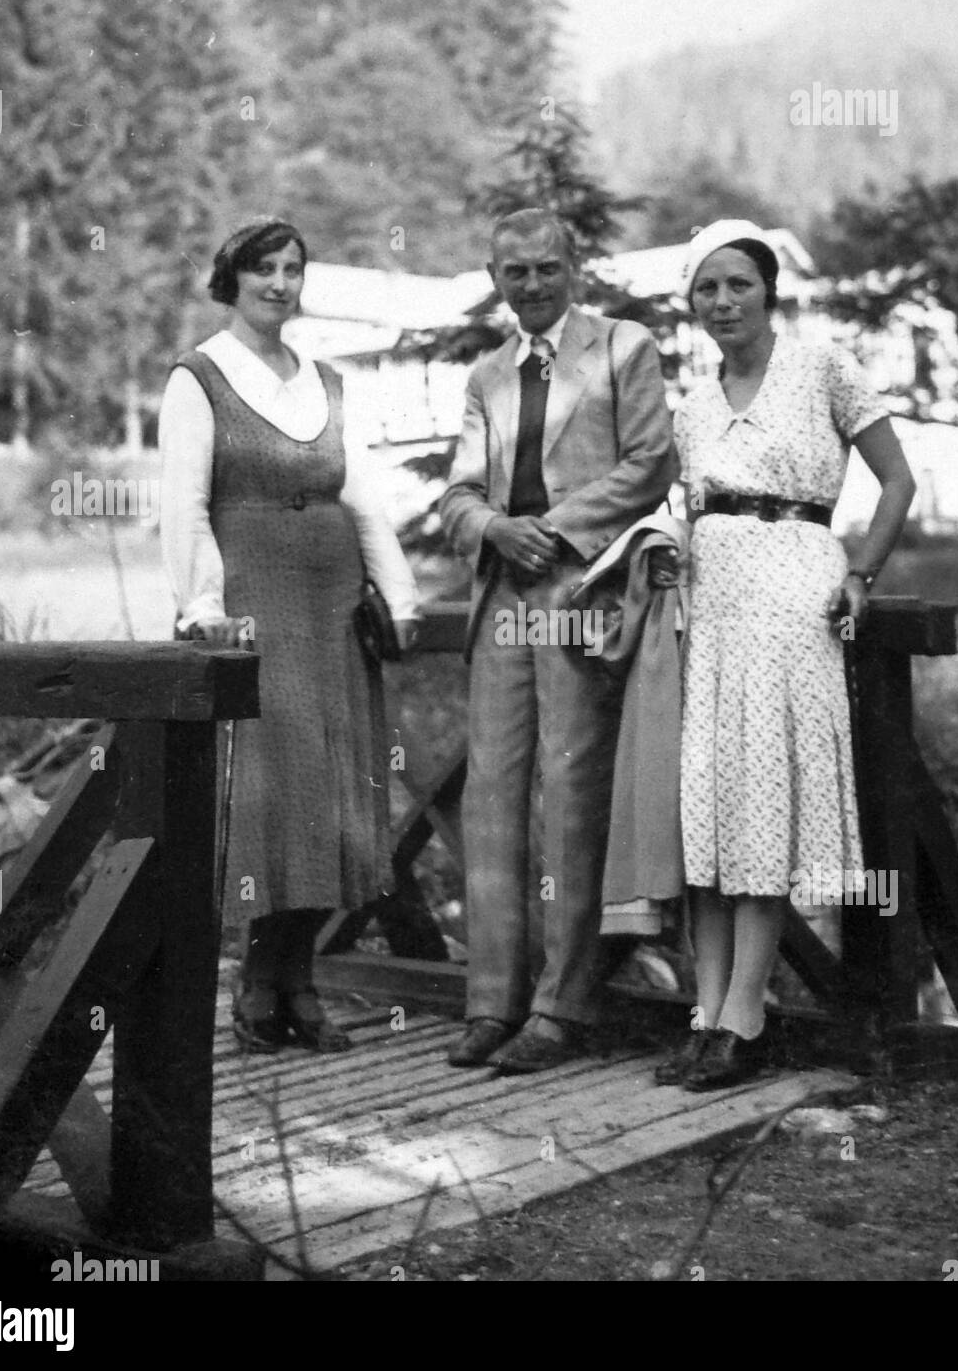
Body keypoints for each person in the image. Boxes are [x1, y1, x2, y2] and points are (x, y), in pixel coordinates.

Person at [657, 219, 916, 1091]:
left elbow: (898, 479)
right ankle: (705, 1016)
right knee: (712, 805)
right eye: (707, 288)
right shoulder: (693, 406)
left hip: (794, 598)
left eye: (739, 284)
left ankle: (746, 1017)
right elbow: (686, 510)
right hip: (712, 611)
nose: (723, 301)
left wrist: (863, 573)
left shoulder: (822, 368)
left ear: (769, 291)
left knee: (763, 801)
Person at [159, 217, 419, 1054]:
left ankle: (299, 982)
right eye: (263, 268)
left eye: (292, 268)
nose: (279, 283)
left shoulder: (328, 381)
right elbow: (183, 505)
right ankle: (256, 985)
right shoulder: (199, 377)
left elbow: (363, 496)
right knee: (271, 795)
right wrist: (202, 606)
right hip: (253, 600)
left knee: (333, 792)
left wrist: (398, 595)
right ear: (230, 279)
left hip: (333, 600)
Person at [438, 208, 676, 1073]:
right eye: (516, 272)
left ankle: (562, 1006)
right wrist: (496, 530)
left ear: (572, 266)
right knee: (491, 794)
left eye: (547, 267)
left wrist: (555, 528)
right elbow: (458, 494)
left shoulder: (622, 349)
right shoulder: (487, 375)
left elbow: (650, 463)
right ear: (495, 279)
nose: (532, 284)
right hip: (505, 592)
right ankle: (490, 1002)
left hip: (584, 588)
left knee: (574, 790)